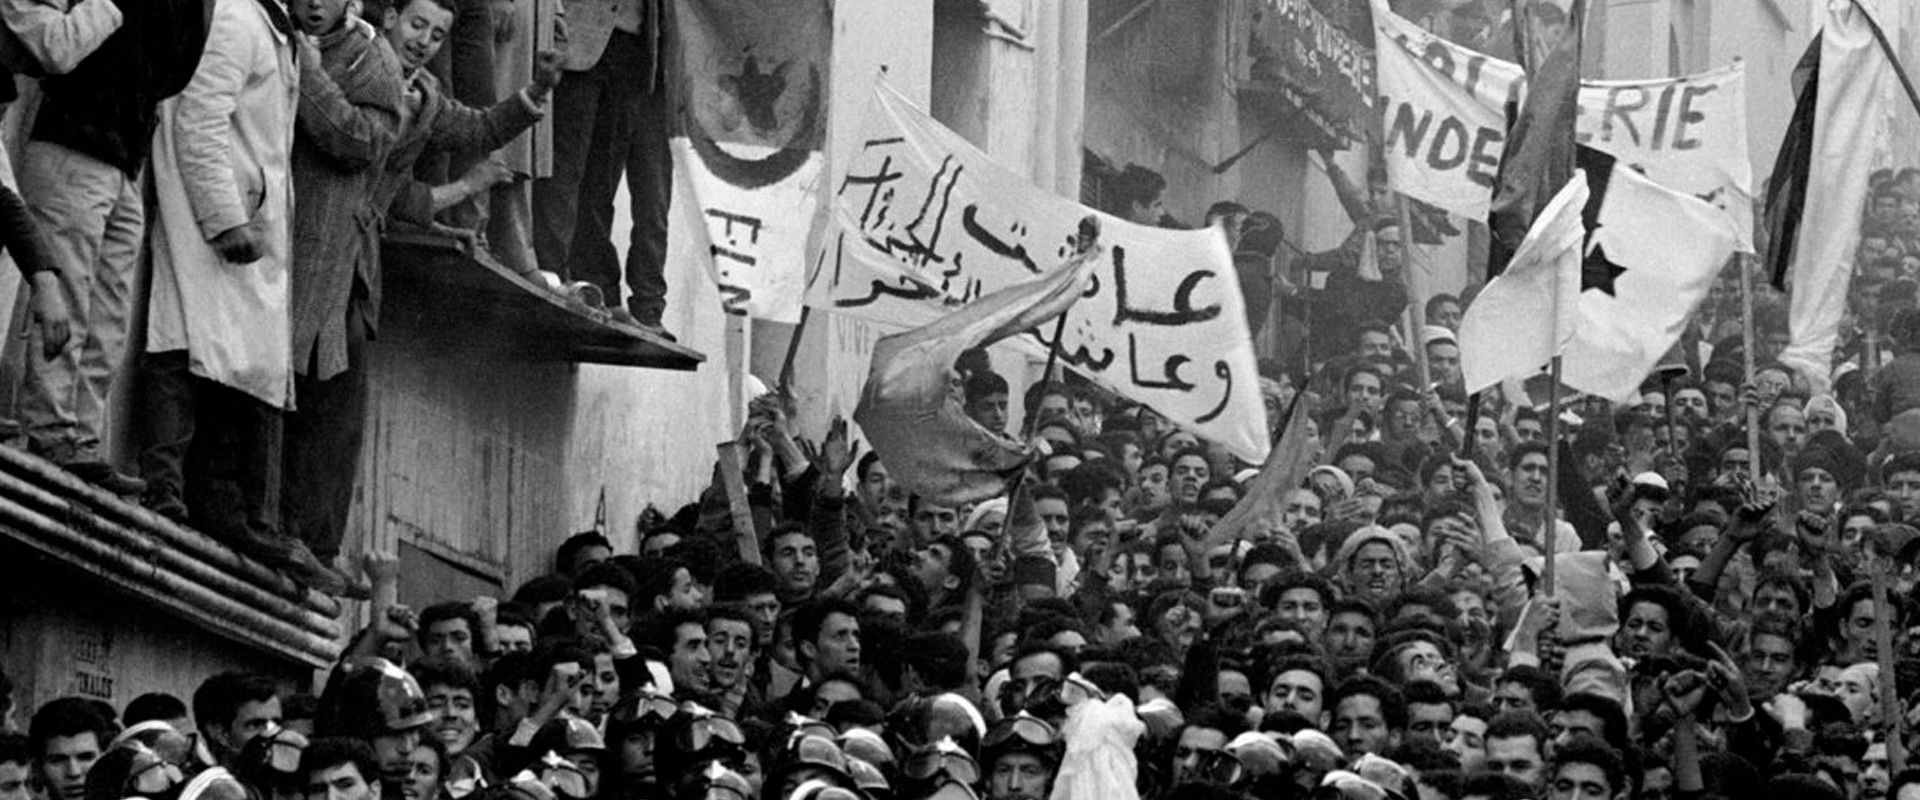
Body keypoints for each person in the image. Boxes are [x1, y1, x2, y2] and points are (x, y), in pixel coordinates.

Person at [13, 0, 208, 495]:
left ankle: (78, 434)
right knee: (73, 297)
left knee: (106, 315)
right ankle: (54, 432)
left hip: (121, 150)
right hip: (76, 137)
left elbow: (175, 70)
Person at [532, 0, 671, 335]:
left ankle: (595, 286)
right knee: (565, 167)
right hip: (581, 37)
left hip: (634, 47)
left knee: (602, 179)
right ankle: (550, 273)